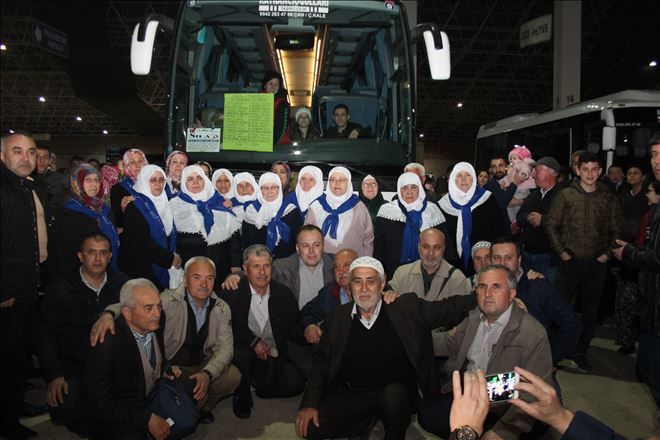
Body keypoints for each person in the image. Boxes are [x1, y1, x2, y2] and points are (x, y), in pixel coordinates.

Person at [295, 256, 477, 440]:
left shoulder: (405, 308)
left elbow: (447, 308)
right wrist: (309, 403)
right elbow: (322, 365)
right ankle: (362, 423)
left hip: (395, 393)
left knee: (393, 397)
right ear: (350, 285)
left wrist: (480, 297)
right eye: (357, 282)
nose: (364, 289)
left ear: (382, 285)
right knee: (309, 429)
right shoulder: (336, 318)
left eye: (371, 281)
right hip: (354, 392)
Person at [92, 257, 242, 424]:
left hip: (203, 364)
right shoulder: (168, 300)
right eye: (197, 277)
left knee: (232, 377)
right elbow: (135, 304)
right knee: (187, 395)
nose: (204, 284)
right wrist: (109, 313)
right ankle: (189, 406)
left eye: (209, 278)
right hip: (174, 367)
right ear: (185, 280)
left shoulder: (222, 308)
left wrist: (207, 374)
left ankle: (202, 408)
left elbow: (226, 348)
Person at [417, 264, 553, 439]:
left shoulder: (533, 333)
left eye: (496, 286)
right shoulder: (474, 318)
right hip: (472, 393)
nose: (487, 294)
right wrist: (410, 332)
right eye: (482, 287)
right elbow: (448, 343)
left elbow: (532, 394)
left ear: (512, 294)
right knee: (426, 414)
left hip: (506, 404)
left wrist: (501, 433)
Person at [36, 233, 128, 433]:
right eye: (91, 252)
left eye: (103, 253)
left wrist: (111, 311)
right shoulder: (60, 288)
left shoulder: (121, 283)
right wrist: (54, 375)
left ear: (110, 256)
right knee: (63, 407)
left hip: (113, 366)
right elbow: (45, 336)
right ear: (80, 256)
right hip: (76, 366)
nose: (97, 259)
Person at [544, 151, 623, 373]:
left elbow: (617, 228)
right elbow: (550, 224)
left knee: (590, 312)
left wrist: (608, 253)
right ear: (577, 170)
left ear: (600, 171)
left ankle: (580, 353)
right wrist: (562, 252)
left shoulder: (607, 197)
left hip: (597, 262)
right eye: (585, 169)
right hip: (570, 260)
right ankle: (554, 351)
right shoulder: (566, 194)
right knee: (559, 307)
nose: (589, 173)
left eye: (594, 169)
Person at [219, 245, 307, 419]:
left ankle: (261, 385)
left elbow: (293, 327)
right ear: (245, 269)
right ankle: (241, 395)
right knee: (242, 355)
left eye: (266, 266)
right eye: (256, 266)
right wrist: (253, 342)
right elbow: (226, 328)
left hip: (273, 351)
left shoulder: (283, 294)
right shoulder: (231, 293)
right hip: (243, 349)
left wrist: (311, 329)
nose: (262, 272)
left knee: (296, 384)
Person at [1, 132, 49, 439]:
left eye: (31, 151)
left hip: (28, 287)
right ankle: (5, 422)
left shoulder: (27, 186)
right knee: (6, 358)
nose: (26, 157)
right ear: (3, 156)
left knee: (18, 355)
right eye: (17, 151)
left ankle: (14, 405)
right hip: (8, 293)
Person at [83, 279, 172, 440]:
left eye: (158, 305)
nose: (157, 313)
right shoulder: (107, 344)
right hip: (117, 414)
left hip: (147, 398)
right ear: (127, 313)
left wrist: (162, 370)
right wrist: (146, 419)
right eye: (148, 308)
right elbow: (101, 403)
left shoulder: (154, 321)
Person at [613, 135, 660, 407]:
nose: (656, 161)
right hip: (652, 304)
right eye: (653, 154)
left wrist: (629, 254)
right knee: (648, 373)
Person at [490, 237, 581, 369]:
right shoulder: (482, 290)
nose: (502, 263)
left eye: (508, 257)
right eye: (497, 258)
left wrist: (551, 359)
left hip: (530, 366)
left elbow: (572, 323)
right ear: (491, 261)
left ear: (519, 260)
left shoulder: (538, 287)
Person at [170, 165, 242, 292]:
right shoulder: (174, 205)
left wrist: (236, 267)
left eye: (199, 178)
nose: (195, 182)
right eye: (190, 179)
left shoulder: (220, 202)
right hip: (189, 271)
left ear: (205, 180)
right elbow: (168, 234)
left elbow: (234, 239)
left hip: (220, 270)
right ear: (184, 182)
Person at [51, 163, 120, 276]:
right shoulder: (69, 212)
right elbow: (65, 252)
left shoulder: (103, 208)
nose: (94, 184)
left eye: (97, 180)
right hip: (80, 274)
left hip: (107, 270)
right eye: (88, 180)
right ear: (76, 183)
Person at [119, 165, 181, 291]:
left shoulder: (166, 202)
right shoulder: (134, 206)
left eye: (161, 180)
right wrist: (170, 258)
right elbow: (140, 242)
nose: (158, 184)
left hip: (164, 264)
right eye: (153, 180)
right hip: (142, 269)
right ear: (143, 181)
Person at [438, 162, 506, 275]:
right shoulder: (443, 204)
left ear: (474, 178)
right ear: (453, 179)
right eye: (459, 175)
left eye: (468, 175)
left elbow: (499, 231)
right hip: (452, 265)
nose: (464, 179)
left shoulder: (487, 198)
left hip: (484, 263)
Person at [374, 172, 446, 278]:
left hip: (428, 271)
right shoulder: (387, 211)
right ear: (399, 190)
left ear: (420, 189)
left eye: (413, 187)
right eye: (405, 188)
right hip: (393, 271)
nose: (409, 192)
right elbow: (378, 247)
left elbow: (443, 244)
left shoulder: (432, 211)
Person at [614, 164, 649, 354]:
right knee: (624, 299)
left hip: (642, 253)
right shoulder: (624, 198)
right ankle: (626, 339)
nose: (632, 176)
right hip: (625, 252)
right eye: (629, 173)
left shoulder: (648, 198)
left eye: (636, 172)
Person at [516, 156, 565, 284]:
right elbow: (519, 217)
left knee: (547, 295)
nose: (533, 175)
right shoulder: (534, 195)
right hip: (527, 255)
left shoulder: (563, 196)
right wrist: (528, 217)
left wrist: (543, 220)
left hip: (549, 258)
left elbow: (566, 222)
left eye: (537, 171)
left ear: (552, 173)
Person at [305, 166, 374, 256]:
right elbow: (305, 236)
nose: (337, 183)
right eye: (333, 180)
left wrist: (366, 262)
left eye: (342, 180)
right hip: (322, 262)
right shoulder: (316, 206)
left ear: (349, 182)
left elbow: (368, 238)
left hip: (353, 262)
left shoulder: (358, 206)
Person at [388, 228, 470, 301]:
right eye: (426, 247)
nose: (431, 253)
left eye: (436, 247)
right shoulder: (401, 273)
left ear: (443, 249)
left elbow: (456, 315)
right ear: (418, 247)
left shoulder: (457, 278)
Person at [299, 249, 359, 344]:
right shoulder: (329, 291)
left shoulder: (374, 289)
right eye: (336, 267)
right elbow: (307, 312)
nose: (341, 271)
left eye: (347, 265)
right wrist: (310, 326)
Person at [242, 172, 303, 259]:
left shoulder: (291, 210)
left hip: (286, 263)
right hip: (258, 263)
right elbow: (246, 242)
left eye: (274, 187)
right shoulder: (251, 211)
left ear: (279, 188)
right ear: (260, 190)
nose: (269, 191)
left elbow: (299, 240)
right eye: (265, 188)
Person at [110, 148, 147, 229]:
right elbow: (118, 222)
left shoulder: (153, 184)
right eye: (132, 162)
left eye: (140, 161)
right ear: (126, 166)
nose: (137, 165)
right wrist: (124, 209)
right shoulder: (118, 189)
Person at [262, 70, 291, 145]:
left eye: (276, 84)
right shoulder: (256, 101)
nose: (273, 86)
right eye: (270, 83)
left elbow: (281, 129)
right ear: (265, 85)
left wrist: (272, 145)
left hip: (278, 145)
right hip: (261, 142)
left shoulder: (282, 104)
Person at [34, 144, 65, 211]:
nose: (41, 160)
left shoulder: (58, 178)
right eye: (37, 157)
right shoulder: (24, 178)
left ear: (50, 160)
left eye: (45, 157)